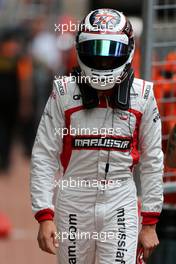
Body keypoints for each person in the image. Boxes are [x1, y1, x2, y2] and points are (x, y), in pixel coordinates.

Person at [30, 9, 163, 264]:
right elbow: (44, 155)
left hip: (120, 202)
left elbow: (153, 160)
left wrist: (150, 222)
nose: (102, 61)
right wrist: (44, 215)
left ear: (128, 50)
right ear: (80, 49)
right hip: (73, 203)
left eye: (110, 52)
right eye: (95, 52)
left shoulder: (144, 95)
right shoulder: (63, 92)